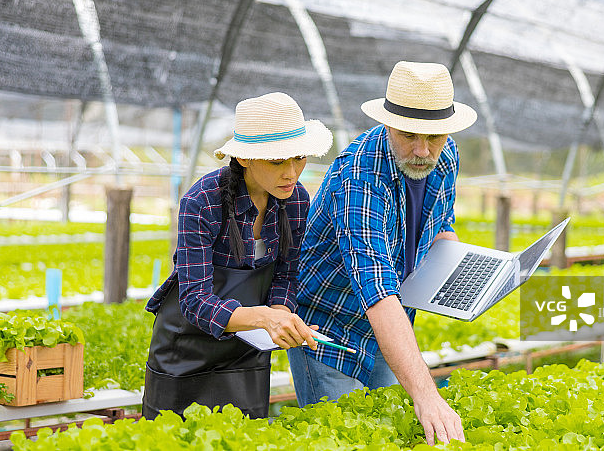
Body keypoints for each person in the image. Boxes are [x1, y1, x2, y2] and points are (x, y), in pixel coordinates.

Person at [287, 61, 477, 445]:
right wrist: (427, 396)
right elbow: (377, 291)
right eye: (409, 135)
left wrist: (467, 273)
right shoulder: (361, 175)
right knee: (345, 440)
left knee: (390, 434)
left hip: (391, 328)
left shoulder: (446, 156)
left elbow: (441, 224)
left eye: (434, 136)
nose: (422, 150)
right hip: (332, 330)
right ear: (388, 123)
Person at [142, 92, 333, 420]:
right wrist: (264, 319)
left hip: (247, 353)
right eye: (277, 161)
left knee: (245, 435)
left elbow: (286, 275)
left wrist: (280, 315)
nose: (291, 173)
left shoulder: (296, 200)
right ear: (245, 158)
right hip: (185, 351)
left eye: (299, 158)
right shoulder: (203, 201)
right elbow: (195, 301)